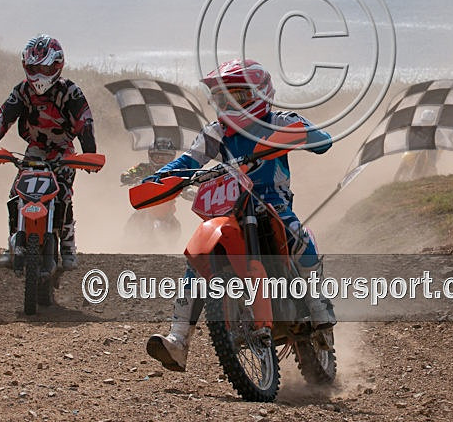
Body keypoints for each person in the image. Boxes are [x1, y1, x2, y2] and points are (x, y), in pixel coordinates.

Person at [145, 59, 335, 372]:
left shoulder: (278, 120)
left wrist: (301, 134)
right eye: (222, 99)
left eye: (238, 97)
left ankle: (317, 304)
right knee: (198, 259)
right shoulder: (216, 132)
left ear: (260, 93)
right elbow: (188, 161)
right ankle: (178, 340)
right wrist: (159, 178)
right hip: (230, 206)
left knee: (295, 233)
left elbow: (322, 141)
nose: (229, 104)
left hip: (270, 200)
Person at [0, 34, 96, 271]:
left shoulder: (70, 92)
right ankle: (13, 240)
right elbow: (2, 117)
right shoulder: (22, 91)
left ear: (57, 65)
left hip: (64, 152)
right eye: (34, 67)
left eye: (44, 67)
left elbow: (85, 122)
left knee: (62, 194)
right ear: (26, 66)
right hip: (35, 151)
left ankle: (68, 245)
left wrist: (90, 155)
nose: (39, 72)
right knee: (17, 193)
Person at [121, 137, 181, 245]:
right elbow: (129, 172)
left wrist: (189, 190)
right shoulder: (143, 167)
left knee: (176, 224)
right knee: (135, 218)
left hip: (167, 206)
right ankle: (126, 243)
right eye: (158, 157)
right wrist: (128, 177)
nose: (162, 160)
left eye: (166, 157)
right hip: (146, 204)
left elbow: (184, 180)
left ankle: (172, 246)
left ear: (172, 158)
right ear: (150, 156)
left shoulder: (175, 171)